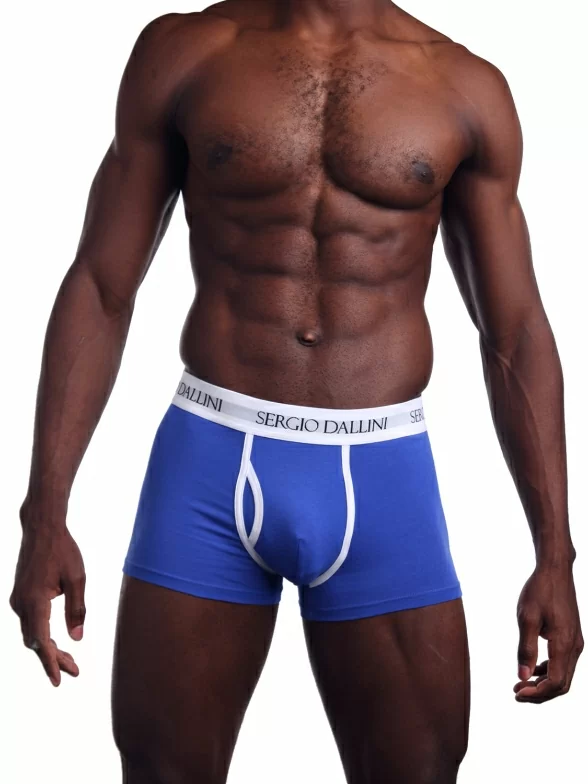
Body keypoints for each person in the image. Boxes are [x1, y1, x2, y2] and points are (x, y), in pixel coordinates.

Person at [9, 1, 583, 782]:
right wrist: (44, 513)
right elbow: (102, 286)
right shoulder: (186, 52)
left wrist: (555, 555)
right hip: (210, 466)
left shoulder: (463, 86)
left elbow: (514, 331)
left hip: (382, 475)